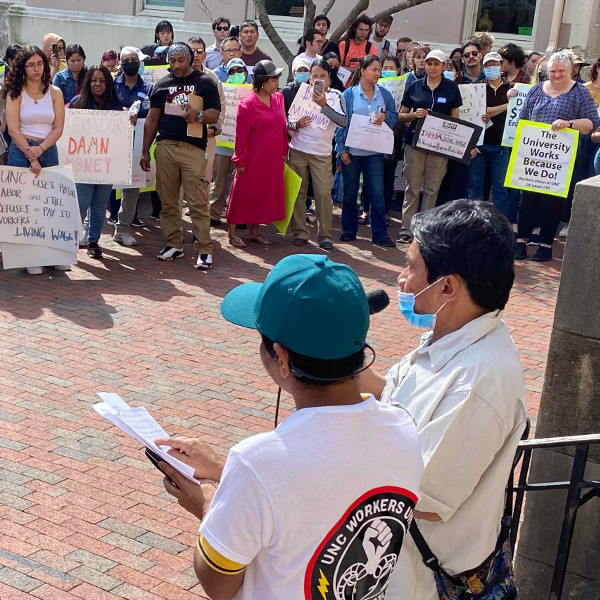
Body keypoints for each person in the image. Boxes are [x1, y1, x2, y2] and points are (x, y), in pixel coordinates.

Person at [155, 253, 423, 600]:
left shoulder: (257, 462)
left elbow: (219, 584)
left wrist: (207, 502)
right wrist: (228, 472)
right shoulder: (403, 427)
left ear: (281, 358)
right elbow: (319, 492)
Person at [359, 199, 526, 600]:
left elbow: (425, 500)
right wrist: (339, 362)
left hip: (423, 580)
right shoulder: (448, 340)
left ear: (447, 286)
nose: (400, 279)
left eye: (411, 266)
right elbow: (393, 395)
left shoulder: (480, 380)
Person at [141, 42, 221, 269]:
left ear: (190, 59)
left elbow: (215, 113)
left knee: (197, 201)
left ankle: (205, 249)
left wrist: (198, 115)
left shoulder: (204, 82)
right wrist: (145, 151)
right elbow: (152, 120)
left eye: (180, 60)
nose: (176, 65)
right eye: (172, 61)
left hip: (193, 149)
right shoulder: (163, 84)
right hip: (165, 146)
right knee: (168, 200)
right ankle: (173, 243)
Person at [515, 51, 599, 262]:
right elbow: (522, 120)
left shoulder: (579, 92)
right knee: (527, 200)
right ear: (547, 72)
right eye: (553, 71)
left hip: (561, 159)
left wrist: (568, 124)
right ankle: (521, 242)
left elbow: (591, 124)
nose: (557, 75)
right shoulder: (536, 90)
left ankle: (545, 245)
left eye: (562, 71)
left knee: (552, 202)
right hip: (533, 155)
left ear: (570, 71)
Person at [3, 46, 66, 275]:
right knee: (27, 206)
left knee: (50, 205)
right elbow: (12, 128)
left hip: (48, 149)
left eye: (40, 63)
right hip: (21, 151)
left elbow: (58, 128)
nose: (36, 68)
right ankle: (30, 256)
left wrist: (41, 150)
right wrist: (31, 154)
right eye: (31, 65)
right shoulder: (15, 92)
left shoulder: (55, 92)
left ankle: (53, 254)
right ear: (22, 67)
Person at [397, 49, 462, 244]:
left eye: (436, 64)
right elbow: (401, 115)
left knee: (433, 189)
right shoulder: (415, 87)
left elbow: (455, 119)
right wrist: (413, 115)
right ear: (424, 65)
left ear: (443, 66)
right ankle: (407, 229)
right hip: (414, 143)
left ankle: (425, 230)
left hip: (439, 146)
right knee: (412, 187)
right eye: (429, 63)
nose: (432, 67)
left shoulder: (451, 88)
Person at [335, 55, 398, 247]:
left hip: (375, 154)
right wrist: (342, 149)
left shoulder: (384, 94)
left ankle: (380, 234)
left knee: (377, 193)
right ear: (362, 71)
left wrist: (385, 115)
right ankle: (348, 230)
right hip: (352, 152)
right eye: (374, 69)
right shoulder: (349, 94)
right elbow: (340, 123)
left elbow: (395, 117)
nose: (378, 73)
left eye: (379, 70)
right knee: (350, 193)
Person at [226, 60, 287, 248]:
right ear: (262, 81)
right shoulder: (247, 105)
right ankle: (232, 233)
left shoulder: (279, 99)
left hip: (273, 158)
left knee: (264, 194)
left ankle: (255, 231)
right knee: (242, 194)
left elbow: (283, 128)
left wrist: (284, 151)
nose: (277, 83)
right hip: (252, 158)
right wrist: (240, 161)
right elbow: (241, 136)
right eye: (273, 79)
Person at [288, 59, 347, 249]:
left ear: (329, 79)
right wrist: (296, 125)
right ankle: (300, 232)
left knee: (323, 194)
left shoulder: (336, 97)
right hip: (298, 149)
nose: (318, 79)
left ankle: (325, 236)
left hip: (321, 154)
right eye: (314, 76)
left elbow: (343, 121)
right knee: (298, 193)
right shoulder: (302, 93)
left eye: (323, 76)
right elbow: (287, 122)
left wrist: (324, 105)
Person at [71, 65, 123, 260]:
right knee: (81, 204)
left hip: (105, 165)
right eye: (94, 80)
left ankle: (93, 241)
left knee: (100, 206)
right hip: (83, 165)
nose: (98, 84)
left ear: (108, 84)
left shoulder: (115, 106)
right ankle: (72, 240)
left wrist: (130, 122)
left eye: (102, 81)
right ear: (88, 82)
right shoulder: (77, 103)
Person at [112, 47, 153, 247]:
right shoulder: (112, 85)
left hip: (137, 145)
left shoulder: (148, 88)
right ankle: (89, 229)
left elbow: (152, 115)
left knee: (132, 190)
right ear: (120, 63)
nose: (130, 63)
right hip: (113, 144)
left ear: (140, 63)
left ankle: (122, 230)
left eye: (133, 59)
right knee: (102, 187)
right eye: (126, 60)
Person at [467, 52, 510, 214]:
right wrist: (506, 106)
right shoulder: (477, 88)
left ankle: (500, 223)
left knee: (500, 187)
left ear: (501, 66)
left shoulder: (512, 89)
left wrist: (491, 112)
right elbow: (479, 112)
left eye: (495, 64)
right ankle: (473, 220)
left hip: (501, 145)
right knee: (475, 185)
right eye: (488, 65)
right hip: (479, 145)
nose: (491, 68)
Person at [209, 58, 249, 226]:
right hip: (223, 145)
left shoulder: (252, 93)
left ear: (246, 73)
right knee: (219, 181)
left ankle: (240, 215)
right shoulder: (222, 91)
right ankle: (213, 214)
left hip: (243, 147)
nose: (236, 74)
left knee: (240, 183)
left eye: (239, 70)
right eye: (232, 71)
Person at [338, 15, 377, 80]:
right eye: (361, 29)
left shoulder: (371, 47)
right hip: (344, 84)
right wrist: (357, 69)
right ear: (355, 29)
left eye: (366, 30)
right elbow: (338, 67)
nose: (363, 33)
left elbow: (373, 69)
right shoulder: (344, 45)